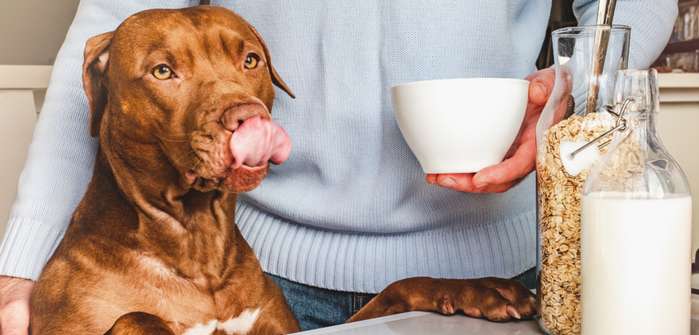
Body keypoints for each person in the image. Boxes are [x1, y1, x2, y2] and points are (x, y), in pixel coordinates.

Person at [0, 0, 676, 333]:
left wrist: (565, 93)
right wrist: (20, 270)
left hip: (496, 274)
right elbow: (113, 31)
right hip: (256, 270)